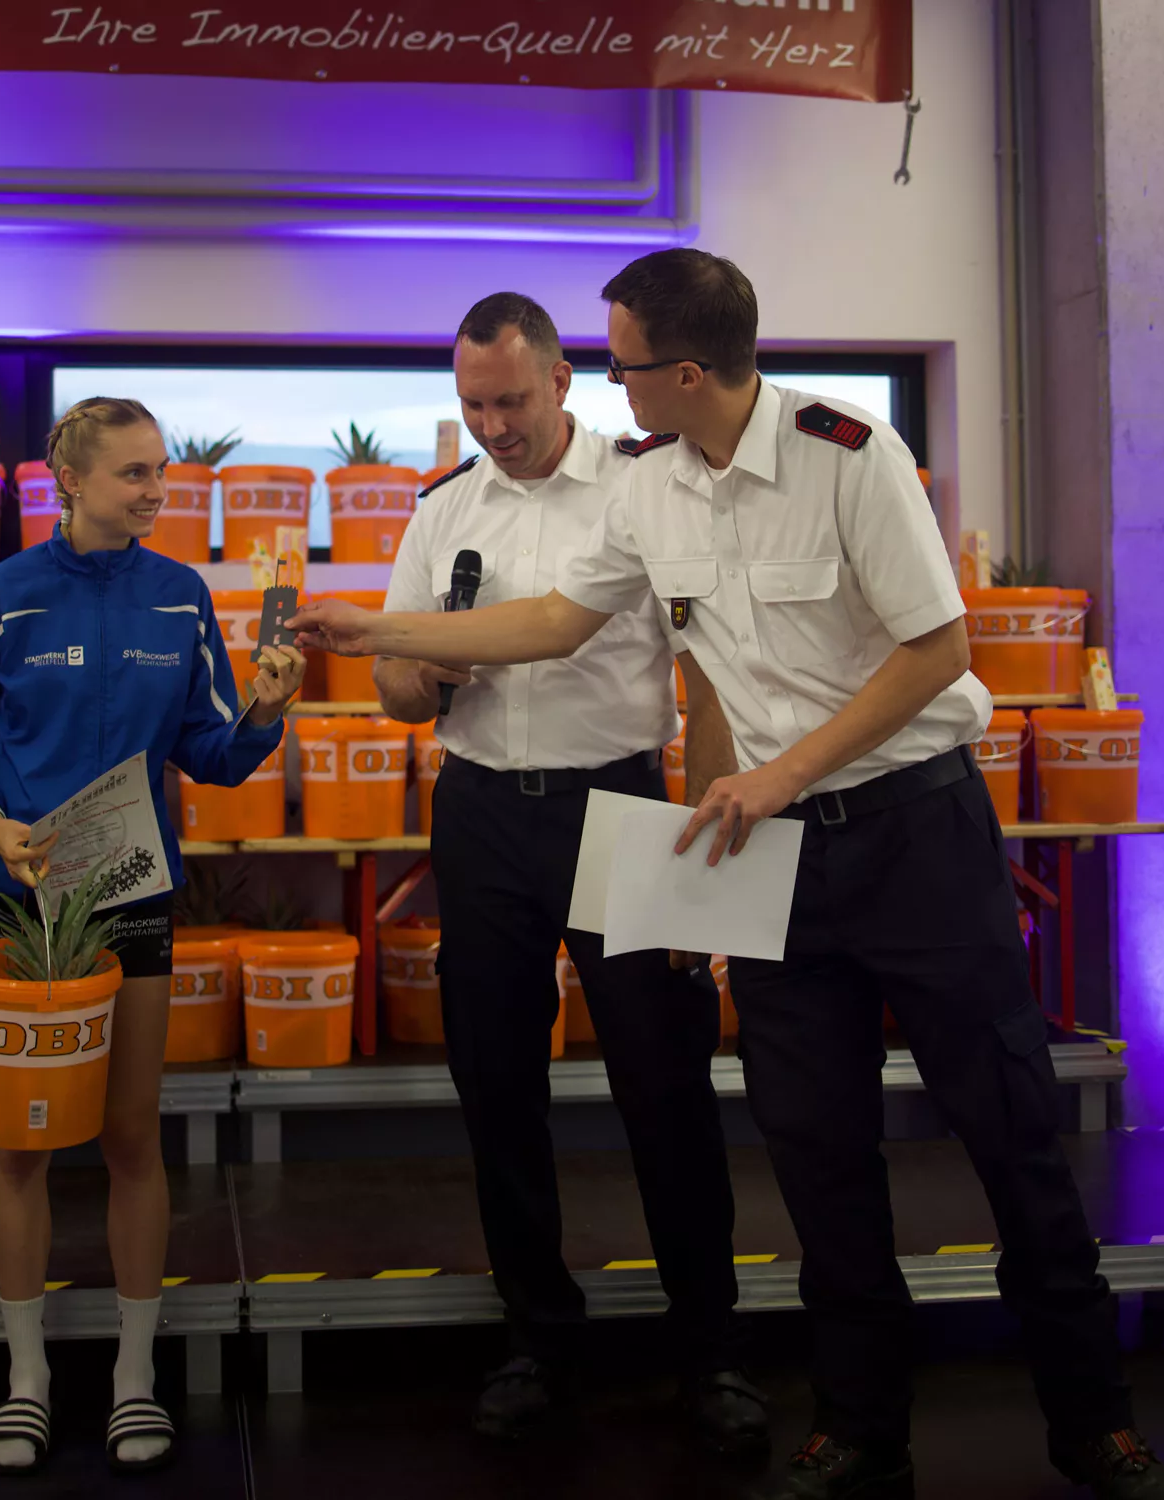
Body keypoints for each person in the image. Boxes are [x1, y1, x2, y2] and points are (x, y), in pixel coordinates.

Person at [290, 250, 1164, 1500]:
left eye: (618, 364)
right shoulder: (649, 491)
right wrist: (370, 627)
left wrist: (776, 776)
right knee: (817, 1155)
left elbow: (937, 652)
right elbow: (552, 623)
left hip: (913, 835)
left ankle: (1095, 1426)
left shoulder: (849, 452)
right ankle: (860, 1427)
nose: (604, 386)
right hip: (769, 850)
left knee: (1013, 1138)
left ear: (688, 371)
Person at [374, 292, 764, 1449]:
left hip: (626, 801)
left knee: (667, 1088)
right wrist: (425, 674)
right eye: (471, 404)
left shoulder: (648, 488)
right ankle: (540, 1339)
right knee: (497, 1090)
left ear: (562, 384)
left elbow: (711, 674)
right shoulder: (441, 510)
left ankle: (711, 1350)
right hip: (484, 810)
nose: (490, 423)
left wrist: (702, 828)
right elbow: (397, 692)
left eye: (508, 400)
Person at [0, 397, 305, 1477]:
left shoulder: (181, 600)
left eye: (160, 472)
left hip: (132, 896)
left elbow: (214, 753)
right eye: (133, 474)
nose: (154, 491)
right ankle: (26, 1379)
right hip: (23, 901)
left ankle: (135, 1377)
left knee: (134, 1134)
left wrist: (267, 713)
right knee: (23, 1144)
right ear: (67, 478)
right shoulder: (7, 594)